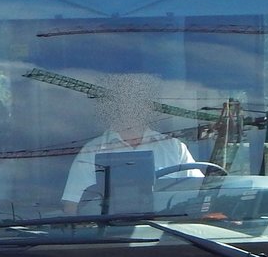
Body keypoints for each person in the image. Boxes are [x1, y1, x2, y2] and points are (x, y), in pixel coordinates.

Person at [62, 73, 202, 214]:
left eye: (138, 100)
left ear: (149, 107)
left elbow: (201, 194)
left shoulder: (174, 148)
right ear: (111, 107)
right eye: (124, 100)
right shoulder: (91, 151)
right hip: (106, 233)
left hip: (171, 233)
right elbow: (72, 206)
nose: (131, 107)